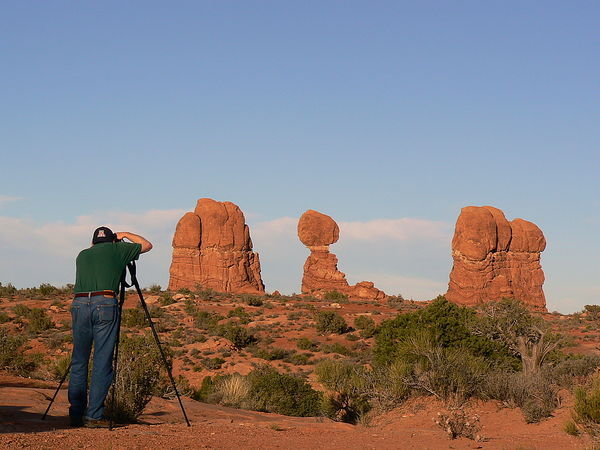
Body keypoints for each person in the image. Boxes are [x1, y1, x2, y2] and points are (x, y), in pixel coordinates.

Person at [69, 226, 152, 428]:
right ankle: (94, 416)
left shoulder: (83, 255)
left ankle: (75, 414)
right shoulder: (117, 250)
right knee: (102, 362)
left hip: (79, 305)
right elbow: (147, 245)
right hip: (104, 304)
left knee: (79, 361)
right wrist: (124, 235)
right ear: (112, 240)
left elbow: (93, 249)